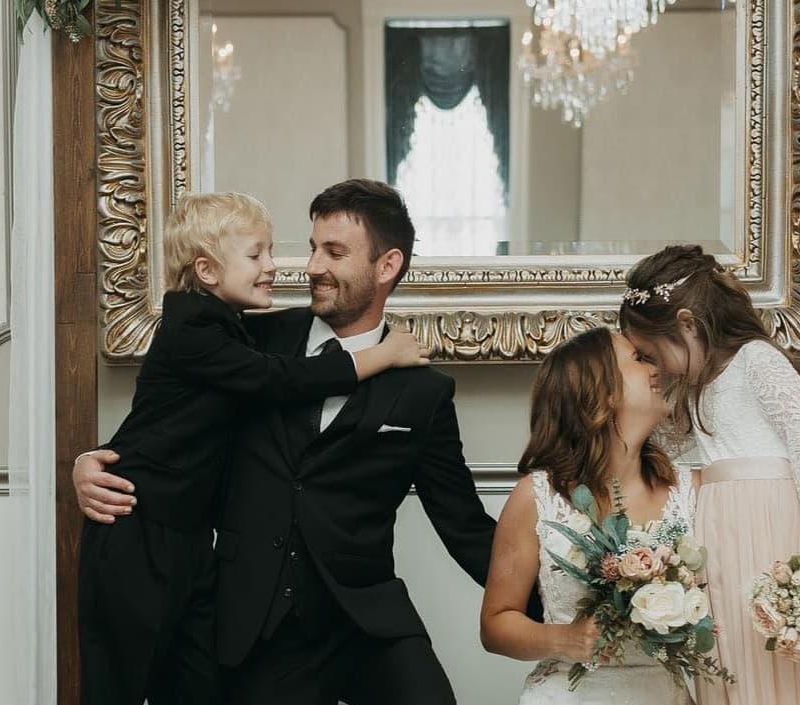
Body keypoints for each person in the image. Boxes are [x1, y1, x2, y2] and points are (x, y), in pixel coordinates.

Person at [72, 179, 503, 705]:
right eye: (312, 246)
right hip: (254, 629)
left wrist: (570, 598)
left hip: (366, 622)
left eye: (334, 252)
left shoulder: (424, 391)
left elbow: (465, 525)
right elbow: (170, 418)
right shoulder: (248, 339)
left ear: (386, 266)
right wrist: (88, 462)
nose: (311, 266)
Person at [618, 245, 800, 705]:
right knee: (738, 655)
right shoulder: (692, 390)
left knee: (790, 665)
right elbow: (674, 456)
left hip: (779, 528)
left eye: (651, 352)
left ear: (687, 324)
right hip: (722, 536)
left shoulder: (758, 361)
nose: (653, 365)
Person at [480, 327, 696, 705]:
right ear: (602, 394)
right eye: (640, 359)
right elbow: (496, 623)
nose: (658, 368)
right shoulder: (537, 498)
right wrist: (565, 639)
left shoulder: (692, 491)